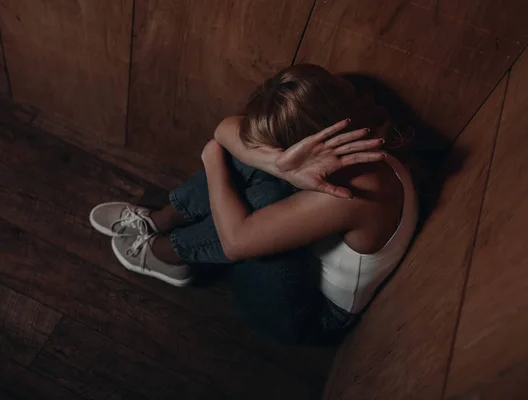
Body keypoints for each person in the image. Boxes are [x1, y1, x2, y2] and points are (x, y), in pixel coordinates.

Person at [89, 64, 418, 345]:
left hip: (311, 315)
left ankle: (163, 253)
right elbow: (228, 128)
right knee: (252, 158)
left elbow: (237, 242)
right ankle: (159, 222)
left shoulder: (362, 189)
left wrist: (212, 156)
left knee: (259, 195)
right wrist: (275, 163)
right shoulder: (348, 118)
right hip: (304, 262)